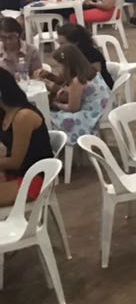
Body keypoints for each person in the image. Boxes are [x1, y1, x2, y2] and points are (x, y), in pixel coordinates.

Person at [0, 68, 54, 206]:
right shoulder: (5, 113)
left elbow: (15, 162)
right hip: (17, 173)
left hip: (33, 179)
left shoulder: (23, 116)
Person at [48, 44, 112, 146]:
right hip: (104, 108)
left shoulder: (78, 81)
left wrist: (55, 104)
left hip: (92, 115)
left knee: (50, 118)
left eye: (59, 66)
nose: (58, 69)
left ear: (67, 66)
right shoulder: (91, 70)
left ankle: (57, 145)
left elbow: (73, 108)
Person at [51, 23, 114, 89]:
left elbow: (88, 85)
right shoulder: (70, 56)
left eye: (62, 44)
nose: (60, 48)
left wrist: (57, 89)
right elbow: (62, 80)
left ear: (76, 43)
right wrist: (48, 75)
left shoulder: (94, 56)